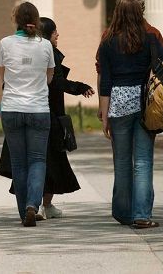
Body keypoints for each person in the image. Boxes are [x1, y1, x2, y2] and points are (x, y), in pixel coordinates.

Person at [97, 0, 163, 229]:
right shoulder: (150, 39)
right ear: (140, 12)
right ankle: (141, 214)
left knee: (121, 160)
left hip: (118, 103)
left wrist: (104, 115)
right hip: (144, 104)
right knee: (142, 160)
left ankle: (122, 212)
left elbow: (105, 81)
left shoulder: (108, 42)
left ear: (117, 12)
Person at [0, 2, 55, 227]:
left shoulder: (5, 43)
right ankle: (32, 204)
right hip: (39, 108)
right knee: (38, 160)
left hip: (12, 107)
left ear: (15, 19)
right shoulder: (45, 45)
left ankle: (23, 212)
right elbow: (49, 78)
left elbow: (4, 76)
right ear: (37, 21)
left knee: (19, 162)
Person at [37, 17, 94, 220]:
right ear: (48, 35)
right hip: (49, 114)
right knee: (50, 160)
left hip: (30, 110)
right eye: (55, 32)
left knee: (38, 159)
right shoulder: (49, 52)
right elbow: (58, 83)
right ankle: (41, 205)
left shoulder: (30, 50)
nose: (58, 35)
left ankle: (42, 204)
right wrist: (80, 88)